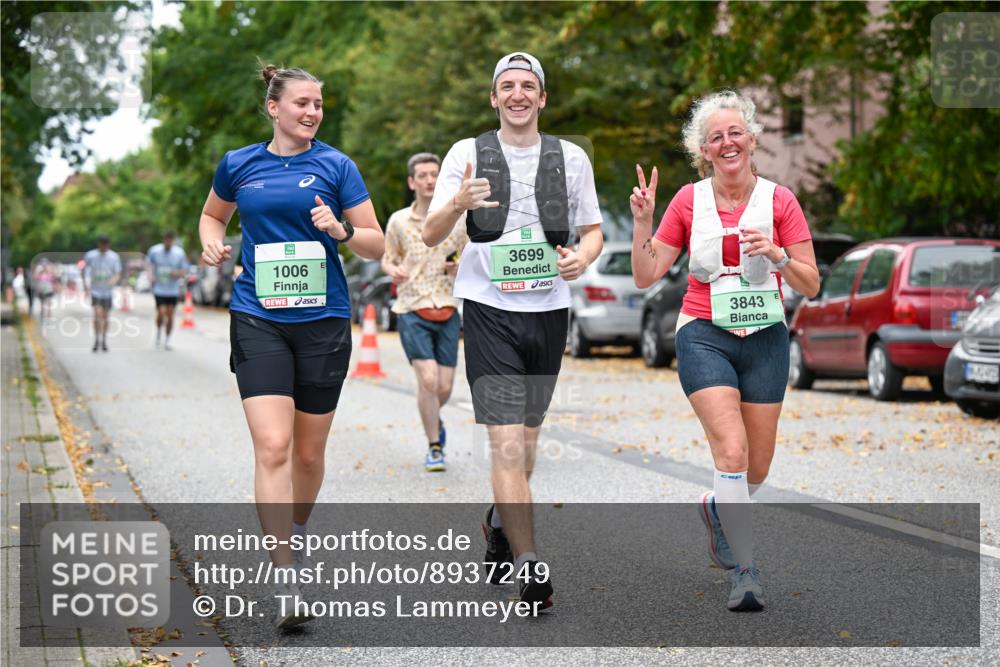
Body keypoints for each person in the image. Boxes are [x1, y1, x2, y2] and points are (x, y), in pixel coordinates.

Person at [199, 63, 383, 629]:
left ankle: (294, 532)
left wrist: (342, 232)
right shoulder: (239, 164)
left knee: (307, 454)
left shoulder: (336, 166)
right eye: (301, 103)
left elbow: (375, 245)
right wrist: (213, 245)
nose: (311, 113)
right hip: (258, 317)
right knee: (274, 447)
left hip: (324, 320)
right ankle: (285, 575)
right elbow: (212, 216)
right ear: (274, 108)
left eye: (318, 105)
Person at [423, 52, 604, 610]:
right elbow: (430, 235)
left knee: (525, 446)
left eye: (529, 85)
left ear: (543, 97)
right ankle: (531, 567)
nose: (518, 94)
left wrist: (582, 259)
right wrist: (456, 202)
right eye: (508, 86)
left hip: (549, 311)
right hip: (486, 309)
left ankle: (501, 522)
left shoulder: (570, 158)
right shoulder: (465, 154)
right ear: (494, 97)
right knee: (504, 442)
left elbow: (593, 231)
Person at [630, 90, 820, 611]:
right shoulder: (688, 200)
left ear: (752, 140)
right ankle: (745, 571)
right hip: (704, 332)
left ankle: (719, 504)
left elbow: (810, 285)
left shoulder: (780, 201)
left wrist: (779, 257)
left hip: (765, 338)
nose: (727, 142)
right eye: (716, 137)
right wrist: (643, 221)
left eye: (735, 132)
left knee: (755, 469)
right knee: (730, 452)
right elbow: (646, 274)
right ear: (705, 151)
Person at [382, 152, 468, 472]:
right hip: (412, 308)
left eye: (435, 174)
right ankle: (434, 446)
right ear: (412, 182)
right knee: (428, 379)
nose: (430, 180)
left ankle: (433, 417)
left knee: (443, 387)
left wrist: (457, 266)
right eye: (423, 175)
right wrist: (394, 271)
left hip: (447, 306)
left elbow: (471, 258)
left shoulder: (457, 220)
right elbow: (387, 259)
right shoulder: (398, 221)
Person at [146, 231, 190, 350]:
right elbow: (148, 265)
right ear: (163, 239)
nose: (168, 242)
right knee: (161, 312)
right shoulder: (154, 251)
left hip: (173, 289)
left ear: (173, 240)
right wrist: (150, 276)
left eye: (171, 240)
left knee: (170, 314)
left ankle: (168, 339)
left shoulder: (179, 253)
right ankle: (159, 331)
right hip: (159, 288)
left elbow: (185, 269)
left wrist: (176, 273)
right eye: (166, 239)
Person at [83, 236, 122, 352]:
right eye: (102, 244)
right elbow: (85, 271)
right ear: (98, 244)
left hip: (108, 292)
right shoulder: (91, 256)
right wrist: (87, 287)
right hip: (96, 290)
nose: (104, 246)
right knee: (97, 314)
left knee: (105, 317)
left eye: (106, 244)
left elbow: (118, 273)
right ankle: (97, 339)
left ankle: (104, 339)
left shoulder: (114, 257)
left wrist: (113, 281)